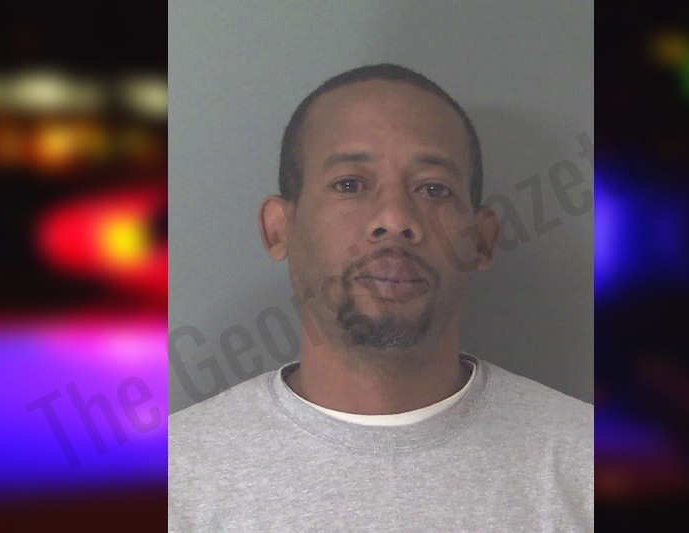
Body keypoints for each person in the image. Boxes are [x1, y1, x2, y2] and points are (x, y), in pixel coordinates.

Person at [169, 63, 593, 532]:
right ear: (279, 228)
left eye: (433, 189)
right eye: (349, 184)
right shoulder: (173, 481)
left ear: (482, 240)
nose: (394, 218)